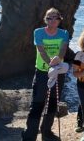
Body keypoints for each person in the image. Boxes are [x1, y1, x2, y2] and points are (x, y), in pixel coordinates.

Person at [22, 8, 69, 141]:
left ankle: (46, 131)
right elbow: (41, 51)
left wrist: (58, 60)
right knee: (37, 104)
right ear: (45, 19)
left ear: (60, 19)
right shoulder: (38, 32)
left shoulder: (64, 33)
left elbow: (63, 50)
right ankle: (30, 135)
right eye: (49, 17)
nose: (52, 20)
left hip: (58, 73)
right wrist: (51, 64)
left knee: (53, 103)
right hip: (43, 72)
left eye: (55, 17)